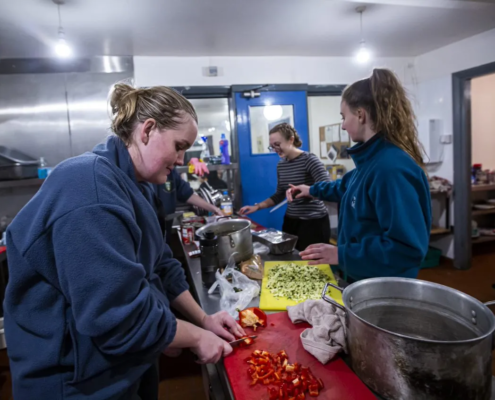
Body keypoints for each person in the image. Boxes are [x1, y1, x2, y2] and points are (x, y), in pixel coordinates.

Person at [4, 84, 245, 400]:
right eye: (179, 146)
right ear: (147, 130)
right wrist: (195, 337)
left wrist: (203, 319)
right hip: (74, 381)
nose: (183, 159)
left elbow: (160, 264)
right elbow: (117, 318)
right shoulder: (90, 190)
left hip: (120, 366)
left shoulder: (136, 186)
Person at [288, 68, 431, 282]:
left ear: (361, 115)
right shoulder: (370, 162)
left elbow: (405, 249)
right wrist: (310, 190)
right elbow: (345, 187)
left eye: (344, 117)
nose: (343, 125)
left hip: (385, 288)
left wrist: (340, 254)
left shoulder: (390, 168)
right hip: (363, 278)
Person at [240, 123, 331, 251]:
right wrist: (257, 206)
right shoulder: (281, 165)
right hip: (291, 221)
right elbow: (279, 195)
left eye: (278, 144)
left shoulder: (309, 160)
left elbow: (327, 189)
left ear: (291, 139)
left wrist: (306, 191)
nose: (275, 149)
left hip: (313, 223)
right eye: (272, 147)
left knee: (312, 265)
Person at [153, 167, 223, 243]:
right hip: (152, 230)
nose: (180, 162)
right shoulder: (148, 175)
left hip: (165, 229)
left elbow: (187, 194)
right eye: (177, 155)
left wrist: (215, 209)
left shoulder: (172, 172)